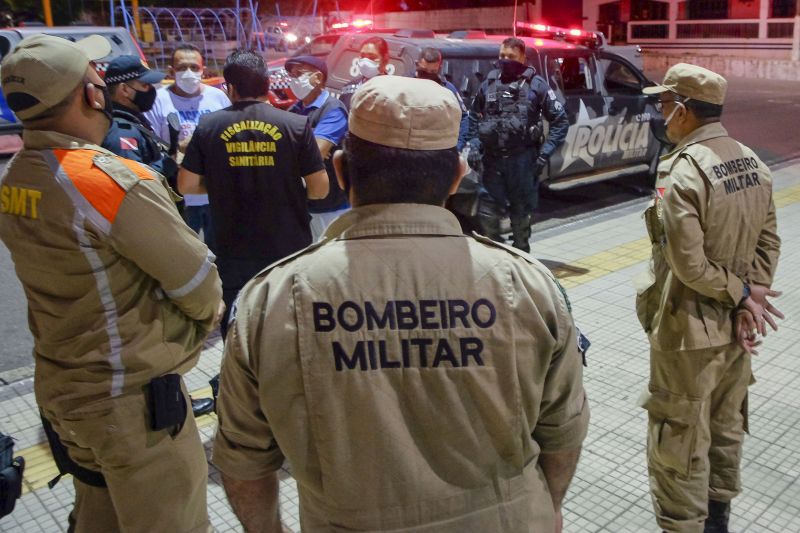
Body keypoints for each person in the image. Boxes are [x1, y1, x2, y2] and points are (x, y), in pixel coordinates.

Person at [213, 76, 590, 532]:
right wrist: (546, 510)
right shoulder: (530, 284)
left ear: (341, 171)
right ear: (456, 174)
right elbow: (563, 429)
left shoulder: (271, 298)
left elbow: (243, 459)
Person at [0, 34, 223, 531]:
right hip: (129, 401)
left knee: (99, 515)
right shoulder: (104, 180)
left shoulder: (19, 175)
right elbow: (196, 281)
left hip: (63, 389)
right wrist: (194, 330)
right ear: (90, 94)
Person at [636, 63, 782, 533]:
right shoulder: (751, 160)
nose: (661, 115)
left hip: (687, 331)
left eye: (664, 105)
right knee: (724, 429)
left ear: (683, 110)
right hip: (736, 331)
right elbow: (769, 241)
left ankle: (685, 525)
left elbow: (690, 265)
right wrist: (750, 299)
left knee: (678, 443)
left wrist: (742, 293)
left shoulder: (683, 172)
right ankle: (718, 521)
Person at [178, 49, 328, 339]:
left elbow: (186, 185)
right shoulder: (295, 125)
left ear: (230, 88)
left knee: (239, 328)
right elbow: (320, 190)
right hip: (288, 248)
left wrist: (223, 183)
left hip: (233, 249)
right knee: (289, 327)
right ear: (267, 85)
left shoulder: (209, 126)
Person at [468, 37, 569, 252]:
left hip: (522, 161)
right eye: (502, 56)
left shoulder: (537, 85)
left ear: (523, 57)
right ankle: (496, 255)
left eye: (511, 57)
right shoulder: (489, 83)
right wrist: (475, 144)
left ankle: (521, 256)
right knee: (487, 213)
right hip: (492, 160)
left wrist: (545, 154)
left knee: (521, 215)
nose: (505, 60)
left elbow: (560, 121)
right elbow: (474, 116)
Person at [145, 44, 230, 249]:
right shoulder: (158, 100)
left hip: (215, 194)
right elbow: (153, 145)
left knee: (221, 252)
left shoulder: (217, 97)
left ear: (203, 69)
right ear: (171, 70)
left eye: (194, 67)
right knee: (182, 252)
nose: (189, 73)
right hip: (179, 196)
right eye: (182, 67)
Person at [286, 55, 350, 240]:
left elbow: (315, 153)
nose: (294, 79)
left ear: (318, 78)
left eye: (299, 74)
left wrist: (298, 149)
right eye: (291, 74)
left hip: (332, 206)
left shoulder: (333, 109)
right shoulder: (294, 111)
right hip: (304, 203)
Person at [415, 46, 469, 151]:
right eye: (424, 71)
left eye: (433, 72)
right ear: (417, 64)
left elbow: (463, 117)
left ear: (439, 68)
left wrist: (458, 147)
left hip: (439, 148)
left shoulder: (447, 89)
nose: (428, 75)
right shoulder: (405, 84)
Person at [339, 36, 389, 110]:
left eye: (372, 58)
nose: (365, 62)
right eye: (362, 57)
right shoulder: (349, 87)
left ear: (385, 59)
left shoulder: (391, 90)